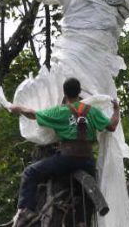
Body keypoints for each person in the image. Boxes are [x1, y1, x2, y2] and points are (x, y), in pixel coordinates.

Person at [10, 77, 120, 218]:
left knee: (30, 173)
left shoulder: (60, 112)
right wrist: (116, 110)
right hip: (87, 160)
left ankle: (26, 210)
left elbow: (33, 114)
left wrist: (17, 108)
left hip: (67, 158)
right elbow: (112, 126)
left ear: (65, 94)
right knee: (85, 191)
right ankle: (82, 221)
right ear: (79, 92)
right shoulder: (92, 111)